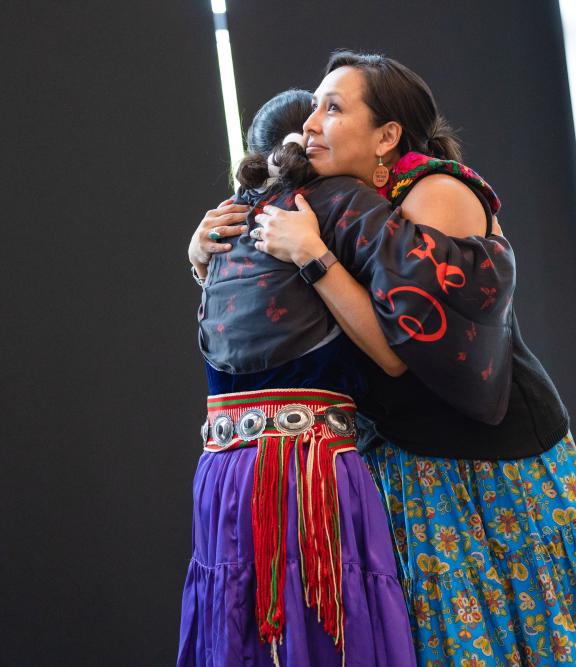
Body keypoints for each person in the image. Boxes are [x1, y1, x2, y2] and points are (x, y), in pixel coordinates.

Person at [195, 50, 576, 666]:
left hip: (490, 460)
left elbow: (398, 348)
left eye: (333, 108)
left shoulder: (436, 191)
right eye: (312, 110)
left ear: (386, 136)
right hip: (404, 461)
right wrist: (205, 256)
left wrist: (312, 256)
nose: (310, 125)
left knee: (539, 633)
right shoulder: (338, 204)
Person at [179, 89, 416, 667]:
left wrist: (196, 261)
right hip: (306, 475)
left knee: (235, 625)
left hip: (220, 474)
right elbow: (396, 350)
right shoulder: (341, 202)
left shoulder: (227, 220)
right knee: (325, 621)